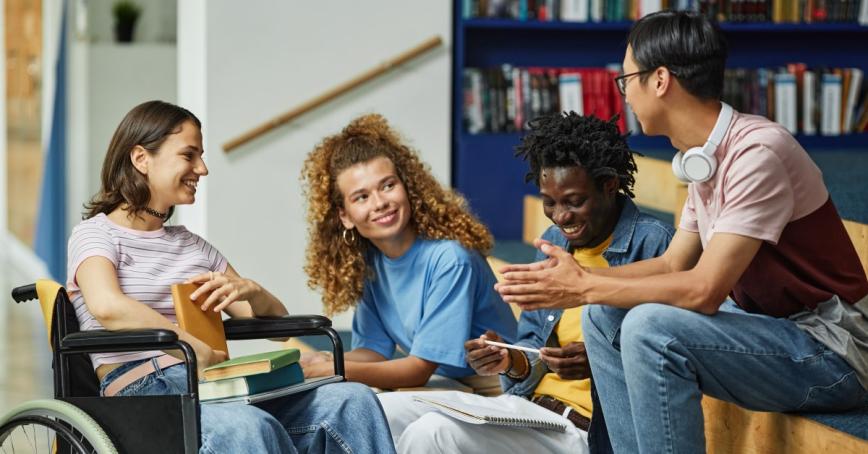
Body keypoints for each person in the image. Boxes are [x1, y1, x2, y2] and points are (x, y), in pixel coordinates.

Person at [495, 10, 868, 453]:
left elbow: (704, 290)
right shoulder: (704, 158)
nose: (625, 95)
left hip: (834, 350)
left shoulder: (757, 154)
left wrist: (585, 286)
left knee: (652, 327)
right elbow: (673, 263)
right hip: (773, 332)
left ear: (659, 80)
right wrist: (574, 285)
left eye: (626, 79)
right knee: (602, 317)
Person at [67, 100, 396, 454]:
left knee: (352, 401)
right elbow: (107, 306)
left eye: (201, 156)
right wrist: (189, 345)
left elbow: (274, 323)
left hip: (214, 384)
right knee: (249, 427)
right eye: (189, 155)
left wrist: (252, 291)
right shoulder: (96, 234)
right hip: (144, 390)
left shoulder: (194, 247)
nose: (202, 168)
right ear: (141, 158)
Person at [377, 112, 674, 453]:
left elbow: (670, 359)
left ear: (609, 185)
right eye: (550, 202)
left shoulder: (656, 246)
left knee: (433, 433)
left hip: (585, 432)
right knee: (376, 411)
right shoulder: (554, 242)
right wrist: (508, 360)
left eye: (575, 201)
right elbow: (534, 347)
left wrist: (599, 364)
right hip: (532, 411)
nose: (561, 216)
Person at [299, 114, 517, 392]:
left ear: (407, 187)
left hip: (497, 387)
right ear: (345, 216)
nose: (380, 203)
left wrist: (333, 368)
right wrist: (323, 360)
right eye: (361, 197)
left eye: (388, 185)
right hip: (449, 382)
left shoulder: (451, 259)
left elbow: (417, 370)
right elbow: (373, 352)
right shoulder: (370, 263)